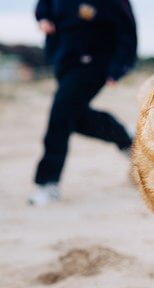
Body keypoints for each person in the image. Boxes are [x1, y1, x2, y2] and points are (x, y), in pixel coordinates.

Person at [29, 0, 137, 206]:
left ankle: (48, 182)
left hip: (96, 64)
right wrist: (43, 18)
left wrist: (119, 67)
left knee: (60, 115)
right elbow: (44, 5)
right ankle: (125, 137)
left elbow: (127, 32)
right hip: (64, 61)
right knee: (74, 118)